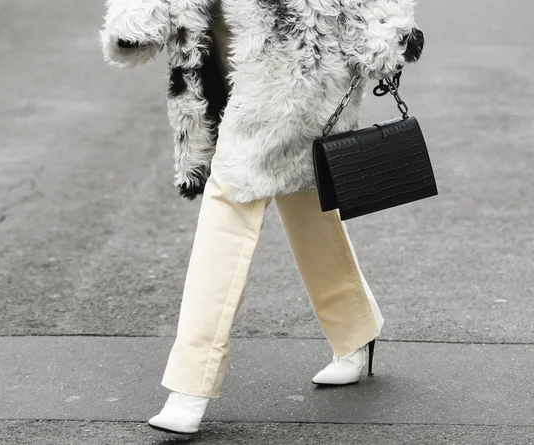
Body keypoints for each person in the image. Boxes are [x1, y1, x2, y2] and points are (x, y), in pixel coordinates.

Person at [100, 0, 424, 435]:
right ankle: (355, 332)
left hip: (297, 63)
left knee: (230, 199)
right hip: (220, 50)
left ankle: (190, 384)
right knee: (306, 202)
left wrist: (385, 32)